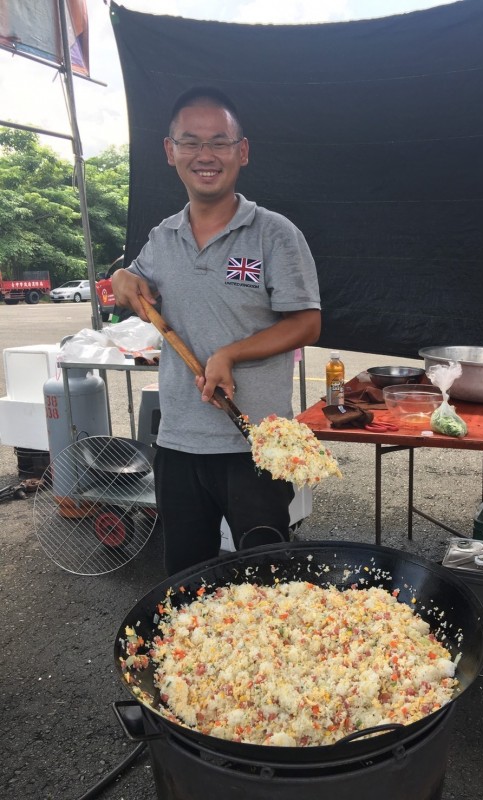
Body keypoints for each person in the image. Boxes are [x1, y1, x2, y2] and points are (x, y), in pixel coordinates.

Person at [112, 86, 321, 575]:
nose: (205, 155)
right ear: (170, 151)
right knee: (185, 577)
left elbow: (308, 322)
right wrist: (122, 278)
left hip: (255, 442)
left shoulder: (274, 233)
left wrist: (230, 353)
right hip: (179, 444)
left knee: (264, 578)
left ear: (241, 152)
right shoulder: (162, 238)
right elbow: (131, 284)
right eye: (190, 142)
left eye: (219, 142)